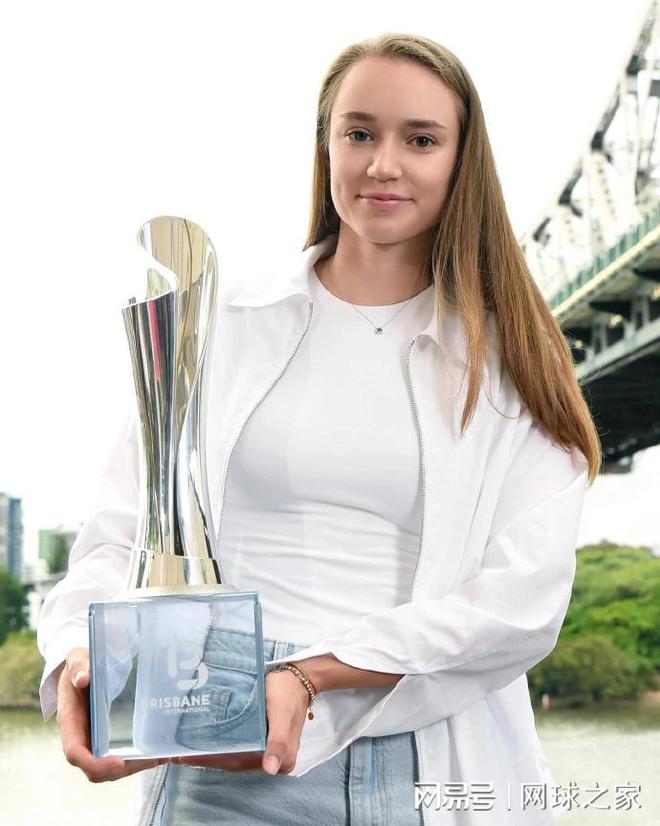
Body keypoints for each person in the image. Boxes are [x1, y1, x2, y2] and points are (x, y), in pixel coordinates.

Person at [37, 31, 601, 826]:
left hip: (427, 763)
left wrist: (313, 674)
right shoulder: (223, 324)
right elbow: (122, 530)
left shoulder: (516, 356)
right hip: (222, 750)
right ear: (325, 145)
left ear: (462, 160)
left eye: (421, 140)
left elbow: (523, 599)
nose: (383, 164)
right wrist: (78, 652)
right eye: (359, 133)